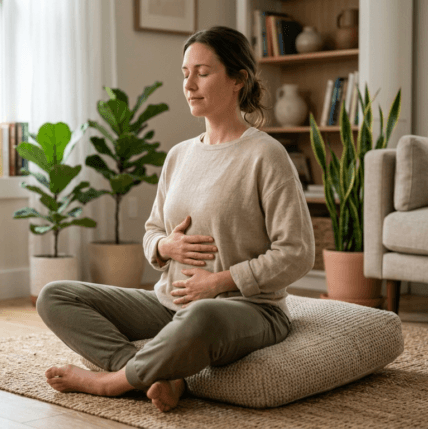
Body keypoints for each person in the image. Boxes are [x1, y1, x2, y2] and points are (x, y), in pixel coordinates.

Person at [36, 26, 315, 413]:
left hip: (249, 308)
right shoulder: (179, 156)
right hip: (169, 304)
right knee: (56, 295)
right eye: (185, 73)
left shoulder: (266, 155)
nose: (189, 84)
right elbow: (153, 231)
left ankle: (112, 382)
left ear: (239, 79)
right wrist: (165, 246)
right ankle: (159, 375)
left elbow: (297, 253)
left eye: (203, 72)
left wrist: (217, 283)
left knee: (202, 315)